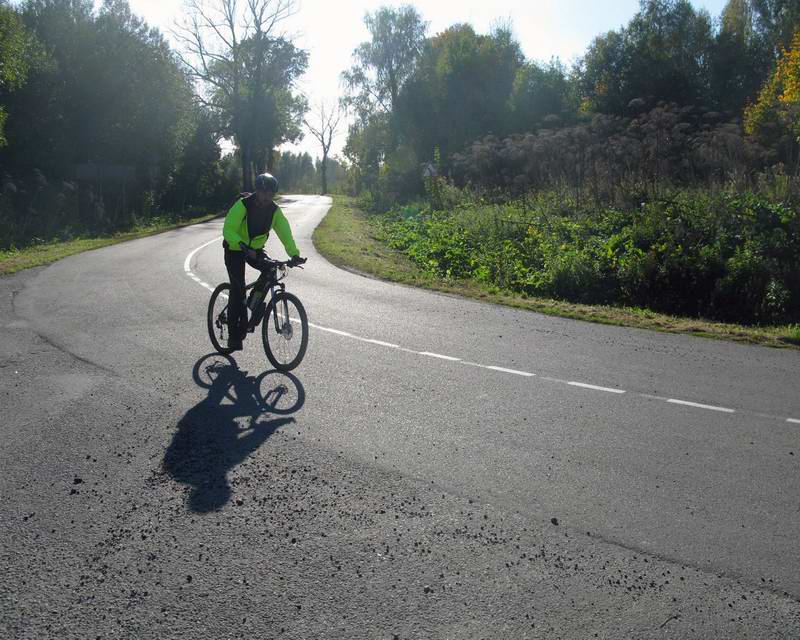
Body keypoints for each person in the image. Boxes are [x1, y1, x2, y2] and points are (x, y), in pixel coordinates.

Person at [222, 173, 305, 351]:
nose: (267, 197)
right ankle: (233, 336)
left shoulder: (274, 211)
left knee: (270, 270)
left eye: (270, 194)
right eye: (264, 192)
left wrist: (294, 254)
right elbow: (228, 228)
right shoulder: (243, 205)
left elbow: (285, 232)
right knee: (238, 290)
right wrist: (242, 245)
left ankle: (253, 302)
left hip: (255, 251)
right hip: (235, 249)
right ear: (257, 191)